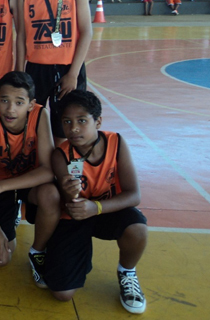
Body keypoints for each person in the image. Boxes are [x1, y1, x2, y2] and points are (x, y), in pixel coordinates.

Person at [44, 90, 148, 315]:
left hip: (105, 210)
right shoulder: (60, 155)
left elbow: (133, 195)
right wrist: (70, 192)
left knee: (137, 227)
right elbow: (70, 203)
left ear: (98, 121)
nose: (73, 128)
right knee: (62, 294)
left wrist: (97, 207)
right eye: (67, 122)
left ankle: (127, 272)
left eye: (82, 121)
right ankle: (77, 257)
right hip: (75, 215)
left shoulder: (116, 142)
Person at [0, 72, 59, 288]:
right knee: (1, 259)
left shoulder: (40, 116)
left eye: (19, 102)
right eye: (5, 101)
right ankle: (10, 216)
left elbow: (49, 171)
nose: (11, 109)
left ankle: (37, 251)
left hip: (27, 183)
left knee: (51, 194)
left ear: (31, 105)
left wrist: (0, 185)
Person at [15, 0, 92, 144]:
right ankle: (40, 169)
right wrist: (20, 73)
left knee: (66, 126)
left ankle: (65, 169)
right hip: (36, 70)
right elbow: (21, 36)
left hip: (68, 68)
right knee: (32, 125)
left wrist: (73, 73)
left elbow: (86, 32)